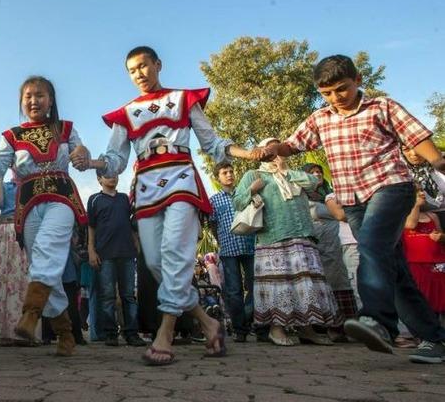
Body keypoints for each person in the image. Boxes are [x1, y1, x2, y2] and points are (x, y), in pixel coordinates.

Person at [83, 46, 265, 365]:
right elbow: (115, 161)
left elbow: (212, 143)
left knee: (174, 254)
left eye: (144, 66)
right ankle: (209, 324)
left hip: (182, 181)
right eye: (132, 70)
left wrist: (248, 154)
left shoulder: (184, 99)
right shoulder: (124, 114)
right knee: (157, 264)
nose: (139, 73)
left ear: (158, 64)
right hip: (146, 190)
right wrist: (92, 162)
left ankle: (164, 334)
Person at [264, 54, 445, 363]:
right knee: (394, 269)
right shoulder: (321, 118)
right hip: (352, 199)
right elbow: (294, 144)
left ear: (358, 80)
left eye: (342, 89)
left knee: (373, 248)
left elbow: (417, 136)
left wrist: (438, 161)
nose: (336, 98)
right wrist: (273, 149)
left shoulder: (382, 107)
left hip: (390, 187)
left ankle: (376, 320)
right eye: (327, 93)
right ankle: (434, 338)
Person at [0, 76, 90, 357]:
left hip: (61, 196)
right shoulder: (12, 135)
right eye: (28, 96)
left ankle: (30, 312)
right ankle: (65, 332)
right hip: (27, 202)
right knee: (43, 265)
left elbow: (81, 155)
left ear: (51, 100)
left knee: (47, 250)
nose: (34, 100)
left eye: (40, 95)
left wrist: (82, 152)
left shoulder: (66, 128)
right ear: (21, 102)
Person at [234, 138, 340, 346]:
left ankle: (306, 329)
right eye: (270, 148)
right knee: (279, 284)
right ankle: (276, 329)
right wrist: (252, 190)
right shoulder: (254, 175)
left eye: (278, 148)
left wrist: (286, 170)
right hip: (273, 237)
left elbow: (315, 183)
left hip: (302, 235)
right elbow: (237, 202)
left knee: (303, 282)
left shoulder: (295, 173)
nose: (275, 152)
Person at [87, 174, 146, 347]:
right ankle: (110, 333)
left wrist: (136, 242)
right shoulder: (94, 200)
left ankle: (132, 333)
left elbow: (130, 224)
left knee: (128, 295)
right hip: (105, 254)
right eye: (107, 175)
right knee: (107, 296)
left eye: (114, 174)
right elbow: (91, 226)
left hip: (127, 252)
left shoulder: (124, 199)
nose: (111, 177)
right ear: (99, 179)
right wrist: (91, 250)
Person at [301, 163, 358, 330]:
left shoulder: (331, 193)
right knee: (328, 282)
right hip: (321, 244)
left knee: (345, 280)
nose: (317, 175)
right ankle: (333, 327)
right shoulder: (304, 197)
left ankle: (350, 326)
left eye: (319, 172)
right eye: (312, 173)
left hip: (341, 242)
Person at [0, 176, 34, 346]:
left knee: (22, 281)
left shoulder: (32, 183)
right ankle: (4, 333)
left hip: (24, 231)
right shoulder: (5, 185)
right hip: (4, 230)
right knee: (1, 280)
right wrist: (0, 175)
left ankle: (24, 331)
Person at [208, 161, 257, 342]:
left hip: (250, 245)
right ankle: (240, 329)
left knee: (255, 286)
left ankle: (250, 319)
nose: (229, 175)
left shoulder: (245, 194)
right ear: (218, 177)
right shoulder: (214, 200)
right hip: (228, 249)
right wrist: (220, 241)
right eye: (224, 173)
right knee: (234, 290)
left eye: (230, 171)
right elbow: (212, 224)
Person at [403, 185, 445, 322]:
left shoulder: (432, 216)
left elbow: (441, 235)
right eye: (417, 192)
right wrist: (414, 206)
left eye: (422, 190)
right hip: (416, 264)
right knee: (424, 297)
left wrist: (440, 237)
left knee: (441, 296)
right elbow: (411, 225)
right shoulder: (402, 216)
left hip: (438, 263)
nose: (421, 193)